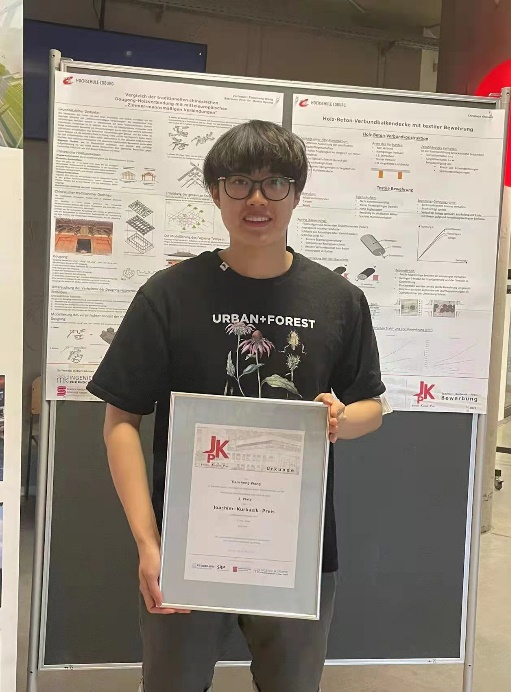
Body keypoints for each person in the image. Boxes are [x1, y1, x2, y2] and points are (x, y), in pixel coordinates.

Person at [87, 120, 386, 692]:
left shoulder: (339, 300)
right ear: (215, 193)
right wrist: (149, 545)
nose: (257, 199)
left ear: (296, 194)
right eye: (239, 182)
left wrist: (341, 419)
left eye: (275, 183)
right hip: (185, 549)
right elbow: (120, 419)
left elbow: (371, 405)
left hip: (298, 551)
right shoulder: (169, 295)